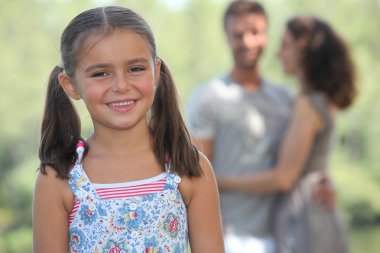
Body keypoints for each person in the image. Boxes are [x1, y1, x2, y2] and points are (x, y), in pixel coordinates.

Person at [33, 6, 224, 253]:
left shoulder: (189, 167)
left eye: (135, 69)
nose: (121, 85)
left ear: (156, 72)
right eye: (101, 73)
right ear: (70, 85)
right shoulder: (60, 178)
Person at [187, 1, 336, 253]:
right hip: (232, 237)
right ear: (226, 37)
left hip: (287, 234)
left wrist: (324, 183)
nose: (247, 42)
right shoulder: (209, 97)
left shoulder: (287, 99)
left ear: (266, 35)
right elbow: (195, 175)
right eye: (238, 35)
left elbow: (299, 163)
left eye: (255, 32)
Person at [217, 15, 356, 253]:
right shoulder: (318, 100)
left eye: (285, 46)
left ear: (303, 51)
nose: (279, 54)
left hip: (306, 219)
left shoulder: (308, 104)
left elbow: (284, 177)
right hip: (313, 212)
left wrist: (218, 181)